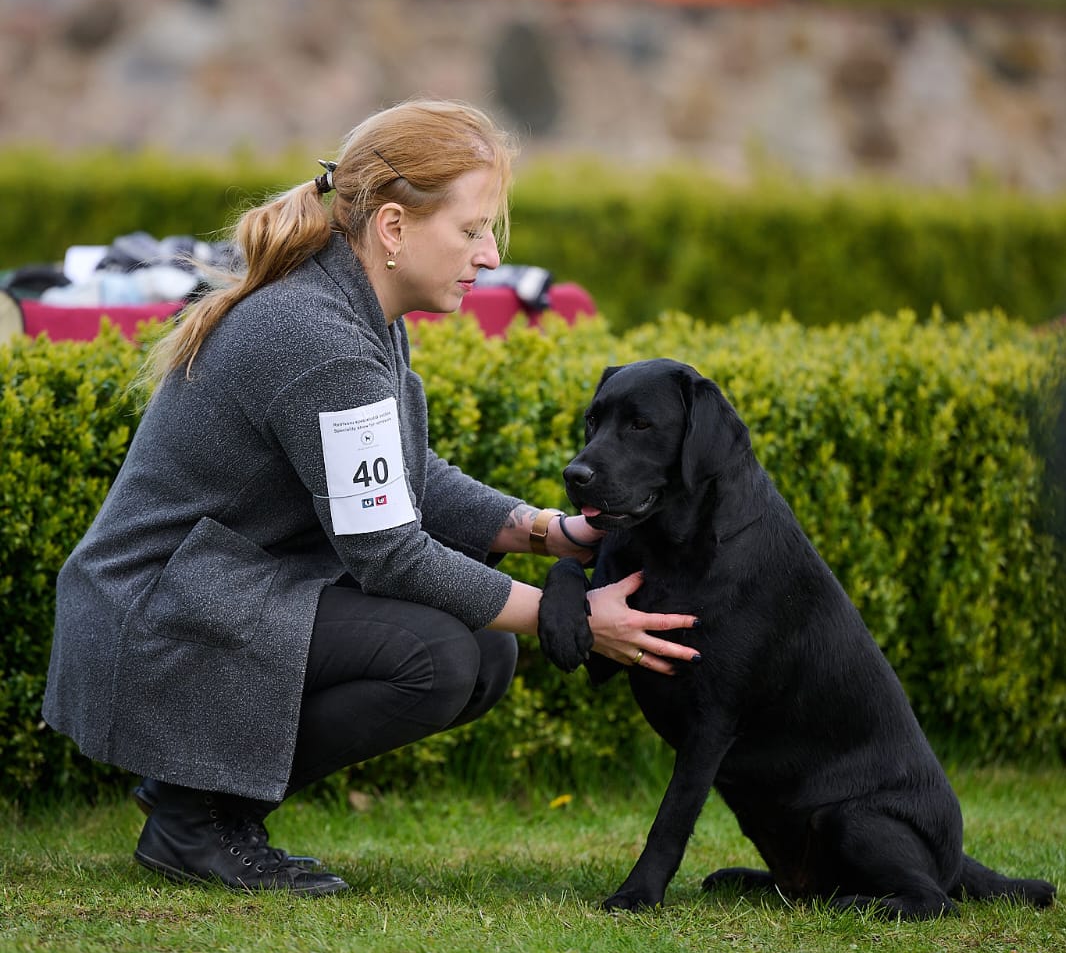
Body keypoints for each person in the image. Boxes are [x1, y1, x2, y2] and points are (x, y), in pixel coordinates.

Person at [42, 99, 699, 896]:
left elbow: (404, 476)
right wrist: (574, 618)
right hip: (153, 612)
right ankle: (193, 819)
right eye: (472, 229)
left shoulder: (354, 307)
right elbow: (388, 553)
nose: (491, 256)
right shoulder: (319, 336)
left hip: (215, 590)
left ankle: (201, 804)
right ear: (393, 227)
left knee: (484, 653)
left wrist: (544, 531)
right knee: (440, 658)